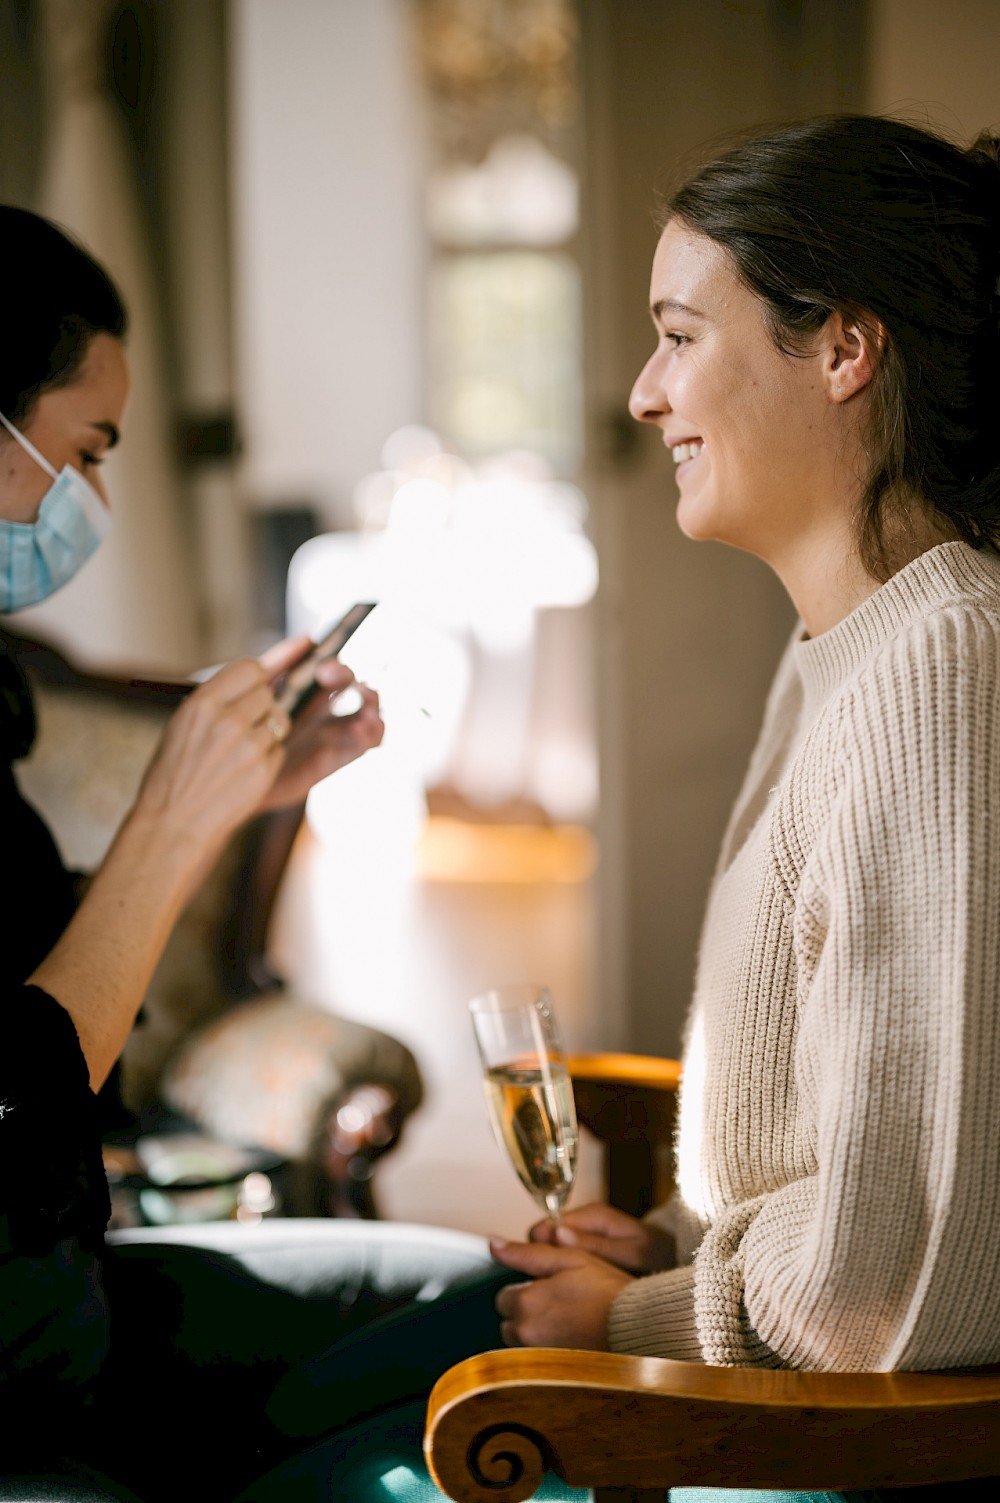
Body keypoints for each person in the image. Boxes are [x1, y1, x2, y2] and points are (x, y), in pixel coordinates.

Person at [483, 112, 1000, 1501]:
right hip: (760, 1374)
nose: (647, 395)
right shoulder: (850, 642)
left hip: (821, 1445)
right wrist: (661, 1243)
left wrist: (638, 1324)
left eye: (679, 334)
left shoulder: (946, 668)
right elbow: (840, 1151)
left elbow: (899, 1271)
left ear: (844, 346)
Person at [0, 205, 519, 1502]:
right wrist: (175, 814)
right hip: (20, 1364)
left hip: (65, 1292)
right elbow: (18, 1098)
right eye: (83, 453)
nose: (93, 503)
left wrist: (229, 801)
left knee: (501, 1300)